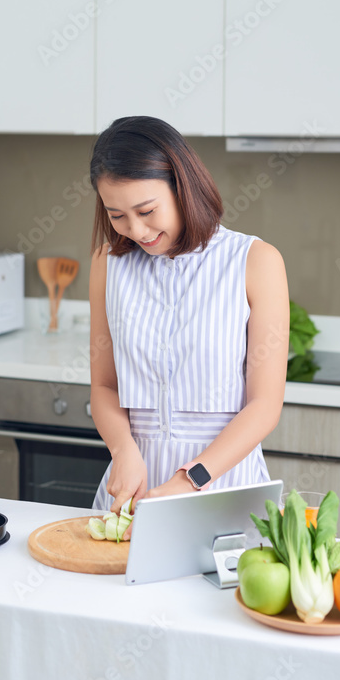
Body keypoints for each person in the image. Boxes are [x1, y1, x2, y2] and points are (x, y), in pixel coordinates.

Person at [88, 116, 289, 528]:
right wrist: (123, 452)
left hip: (224, 487)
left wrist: (190, 479)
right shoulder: (107, 265)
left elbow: (264, 405)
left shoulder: (255, 261)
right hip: (133, 489)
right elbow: (105, 386)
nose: (136, 230)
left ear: (183, 186)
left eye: (146, 210)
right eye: (117, 215)